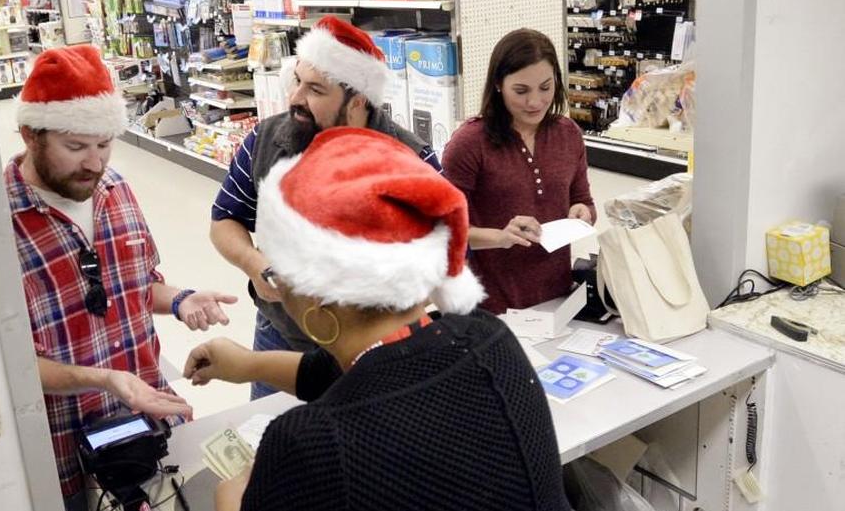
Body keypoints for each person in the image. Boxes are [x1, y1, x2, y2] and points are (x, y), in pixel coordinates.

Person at [185, 128, 569, 511]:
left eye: (278, 276)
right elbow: (369, 371)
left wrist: (229, 502)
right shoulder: (486, 336)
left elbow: (364, 389)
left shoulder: (310, 442)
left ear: (319, 318)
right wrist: (249, 365)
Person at [5, 45, 238, 509]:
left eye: (104, 144)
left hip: (150, 422)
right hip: (68, 450)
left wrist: (179, 300)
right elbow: (11, 367)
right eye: (75, 147)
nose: (94, 163)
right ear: (32, 135)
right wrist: (106, 380)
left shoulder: (115, 190)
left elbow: (136, 284)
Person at [209, 15, 440, 398]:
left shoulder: (412, 162)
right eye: (297, 80)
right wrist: (254, 264)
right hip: (280, 336)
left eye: (315, 89)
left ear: (357, 102)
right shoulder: (266, 140)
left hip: (375, 349)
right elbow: (224, 219)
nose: (296, 97)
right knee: (273, 443)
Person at [441, 28, 596, 314]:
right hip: (490, 306)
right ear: (499, 84)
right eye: (521, 91)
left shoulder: (568, 134)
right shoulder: (470, 144)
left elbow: (583, 200)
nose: (535, 102)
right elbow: (443, 230)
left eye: (546, 88)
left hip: (557, 300)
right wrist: (500, 237)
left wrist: (583, 212)